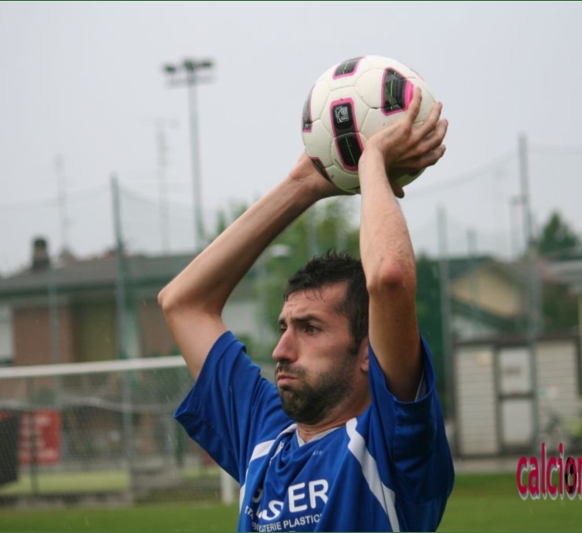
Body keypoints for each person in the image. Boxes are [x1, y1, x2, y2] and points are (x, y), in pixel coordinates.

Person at [159, 87, 454, 532]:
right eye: (285, 327)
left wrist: (372, 161)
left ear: (367, 353)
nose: (281, 350)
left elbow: (389, 276)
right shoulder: (263, 432)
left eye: (310, 328)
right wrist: (301, 186)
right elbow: (183, 304)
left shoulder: (393, 445)